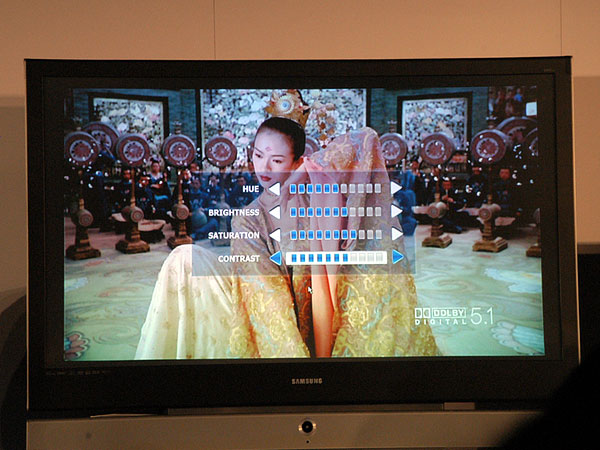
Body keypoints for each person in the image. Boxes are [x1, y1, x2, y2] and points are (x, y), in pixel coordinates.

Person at [135, 115, 438, 359]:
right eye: (258, 155)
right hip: (280, 317)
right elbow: (266, 298)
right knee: (183, 260)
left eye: (277, 160)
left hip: (326, 311)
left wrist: (308, 173)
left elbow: (367, 140)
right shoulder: (249, 218)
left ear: (297, 161)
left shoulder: (318, 194)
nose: (264, 168)